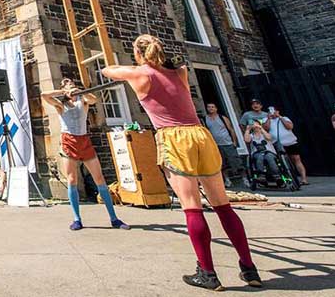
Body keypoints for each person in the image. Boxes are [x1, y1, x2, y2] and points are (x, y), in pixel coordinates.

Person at [102, 35, 260, 290]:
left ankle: (207, 273)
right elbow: (174, 69)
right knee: (223, 206)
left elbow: (108, 70)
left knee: (192, 207)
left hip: (174, 138)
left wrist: (132, 63)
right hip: (200, 135)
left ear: (139, 54)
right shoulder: (181, 72)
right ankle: (249, 268)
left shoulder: (139, 75)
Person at [42, 79, 129, 230]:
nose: (71, 88)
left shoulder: (83, 101)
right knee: (72, 179)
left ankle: (114, 218)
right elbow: (44, 95)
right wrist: (63, 92)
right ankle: (77, 219)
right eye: (68, 86)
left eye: (72, 86)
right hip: (69, 140)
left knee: (99, 178)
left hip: (84, 140)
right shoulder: (60, 104)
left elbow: (94, 99)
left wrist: (81, 92)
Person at [203, 103, 246, 188]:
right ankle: (227, 180)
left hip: (227, 143)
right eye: (209, 107)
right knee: (222, 163)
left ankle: (245, 179)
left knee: (236, 161)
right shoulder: (205, 119)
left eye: (212, 107)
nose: (211, 108)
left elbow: (231, 129)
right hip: (216, 145)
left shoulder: (222, 118)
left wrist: (234, 141)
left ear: (216, 108)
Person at [265, 107, 307, 185]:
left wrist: (280, 117)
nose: (272, 113)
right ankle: (291, 178)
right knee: (284, 161)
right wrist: (268, 118)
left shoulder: (284, 118)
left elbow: (289, 127)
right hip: (278, 144)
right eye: (270, 111)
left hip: (290, 142)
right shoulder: (266, 120)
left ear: (277, 111)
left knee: (296, 159)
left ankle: (304, 179)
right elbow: (266, 128)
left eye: (274, 111)